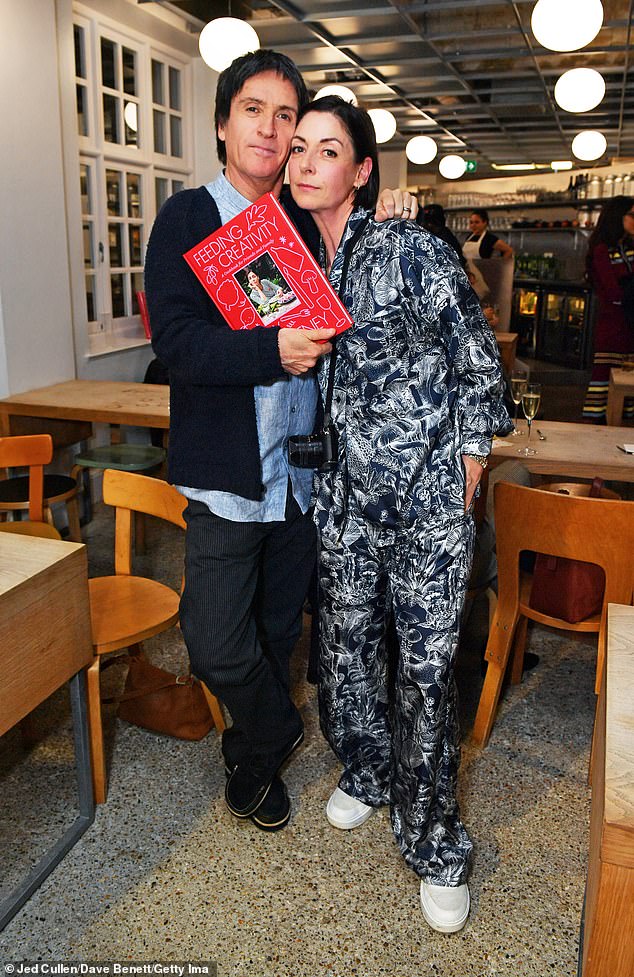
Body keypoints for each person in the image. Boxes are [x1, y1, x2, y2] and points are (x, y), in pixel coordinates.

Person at [144, 50, 418, 835]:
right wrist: (271, 352)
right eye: (253, 109)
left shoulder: (303, 218)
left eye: (286, 115)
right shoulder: (189, 217)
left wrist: (391, 212)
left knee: (274, 631)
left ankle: (250, 762)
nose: (270, 127)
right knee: (216, 642)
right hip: (230, 479)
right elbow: (181, 345)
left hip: (304, 479)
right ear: (223, 123)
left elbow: (367, 282)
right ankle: (276, 729)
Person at [288, 96, 511, 932]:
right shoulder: (302, 260)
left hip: (424, 504)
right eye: (299, 147)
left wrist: (475, 458)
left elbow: (475, 352)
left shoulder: (411, 246)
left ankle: (436, 842)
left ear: (363, 169)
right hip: (344, 500)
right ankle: (368, 771)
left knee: (423, 673)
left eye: (328, 149)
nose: (307, 160)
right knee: (345, 652)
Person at [582, 195, 634, 423]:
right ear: (617, 216)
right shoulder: (602, 250)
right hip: (613, 324)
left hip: (629, 322)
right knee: (607, 379)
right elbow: (613, 291)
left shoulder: (628, 247)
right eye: (632, 214)